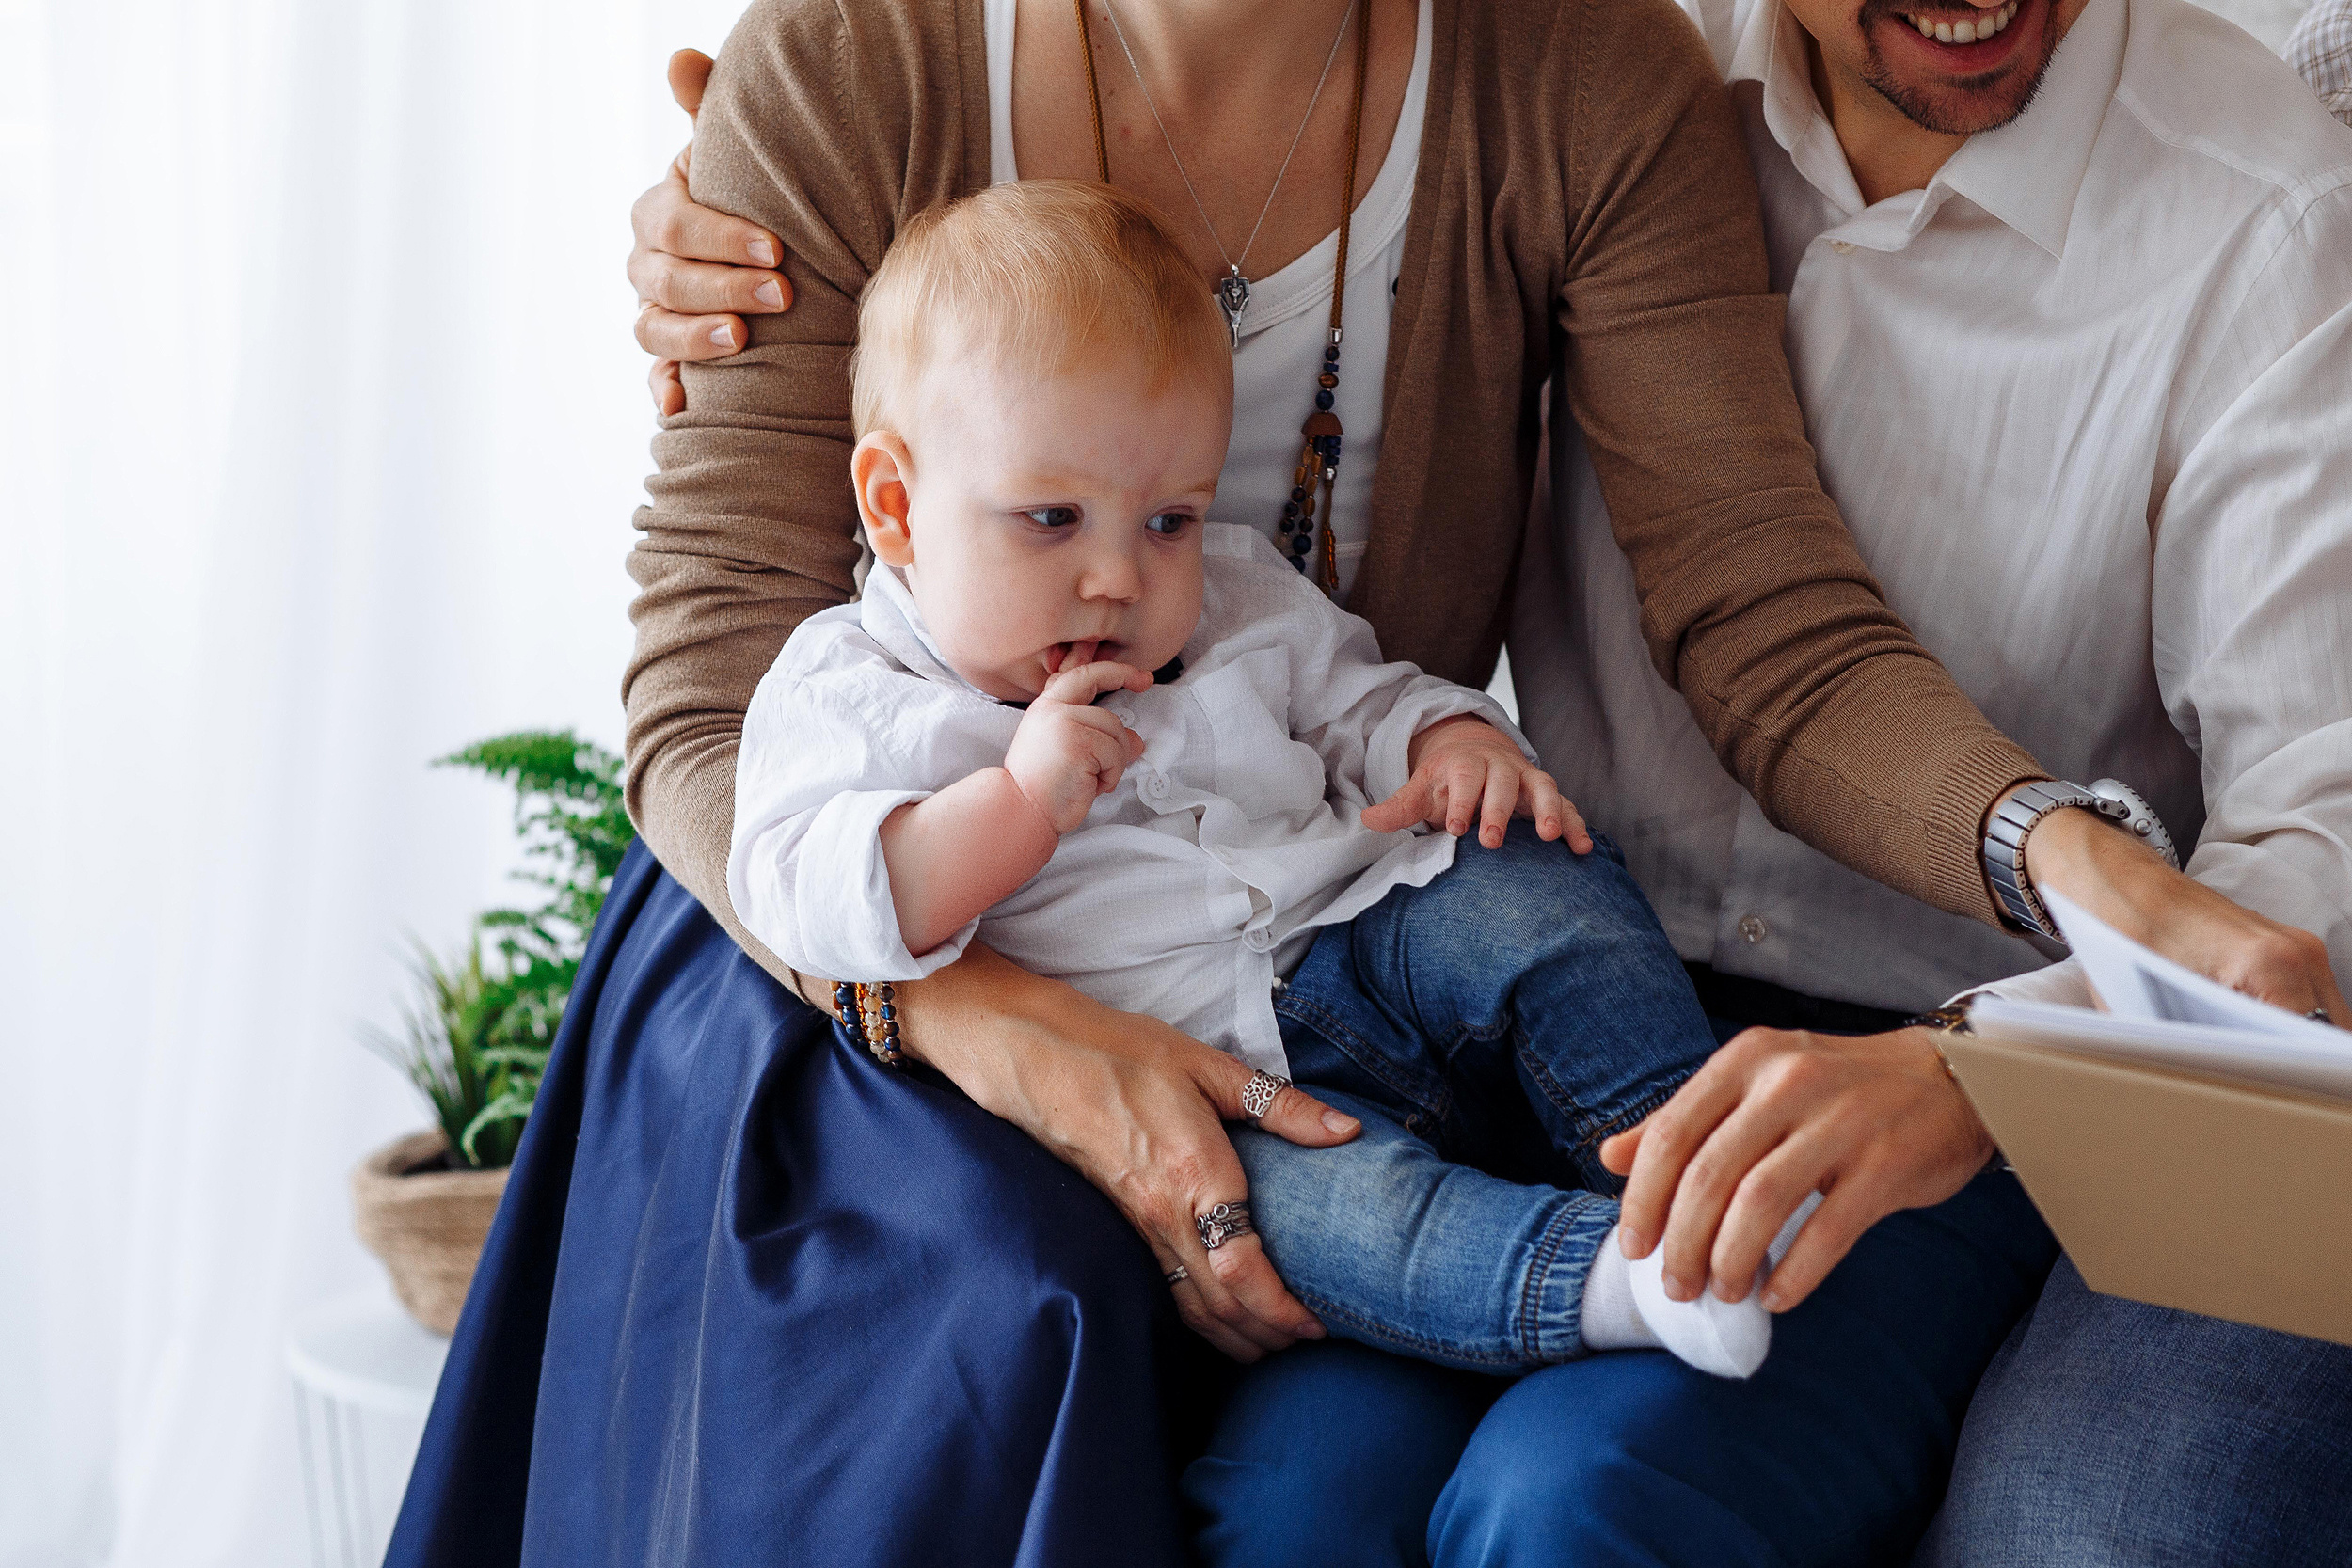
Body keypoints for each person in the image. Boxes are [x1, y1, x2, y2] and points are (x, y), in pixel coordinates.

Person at [389, 1, 2344, 1565]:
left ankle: (1624, 1252)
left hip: (1321, 932)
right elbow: (707, 695)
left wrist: (2068, 879)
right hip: (848, 940)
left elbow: (1760, 616)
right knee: (1025, 1328)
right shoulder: (854, 58)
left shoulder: (1578, 71)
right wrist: (993, 1019)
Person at [737, 177, 1806, 1382]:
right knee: (1347, 1228)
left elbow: (1365, 695)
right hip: (1216, 1085)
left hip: (1364, 927)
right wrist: (1014, 807)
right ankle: (1610, 1282)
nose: (1117, 578)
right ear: (896, 505)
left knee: (1536, 884)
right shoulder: (853, 687)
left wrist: (1453, 746)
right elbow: (809, 899)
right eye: (1051, 518)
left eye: (1168, 521)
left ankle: (1702, 1147)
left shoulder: (1239, 596)